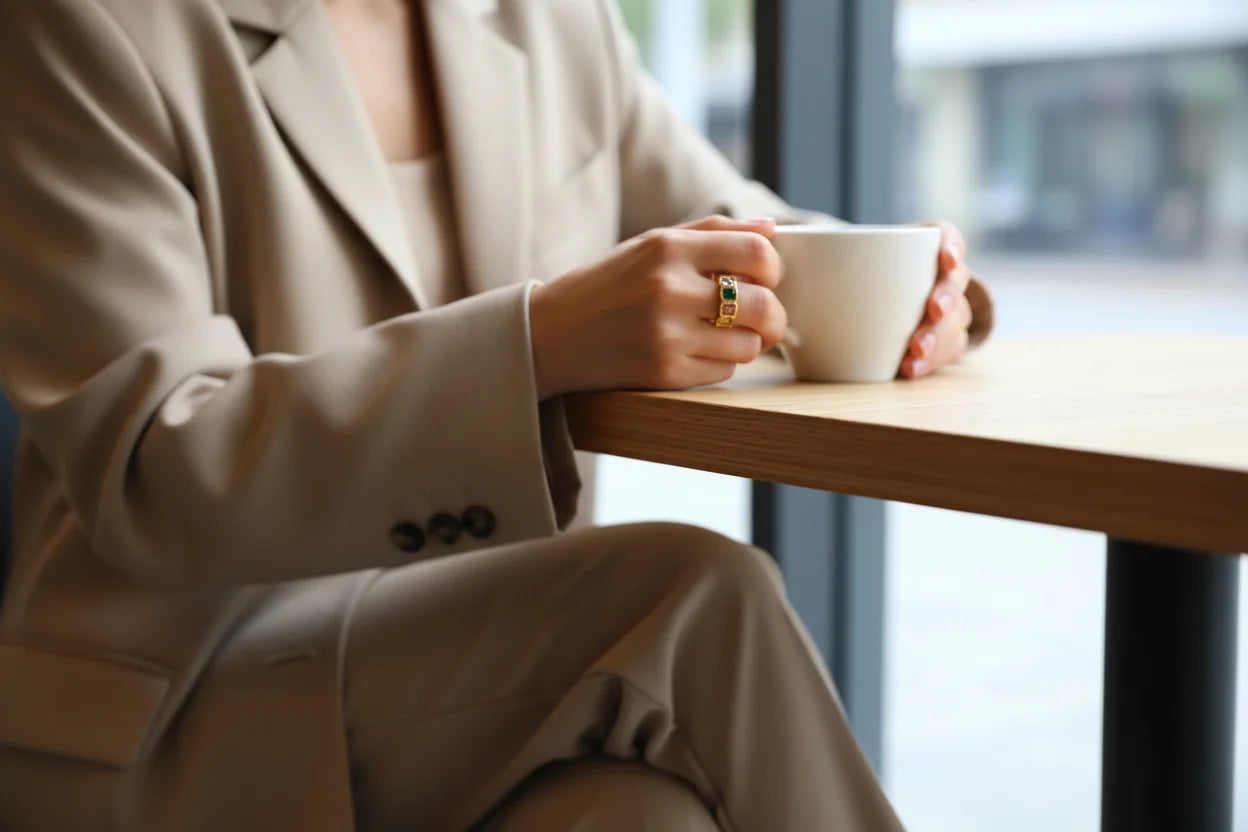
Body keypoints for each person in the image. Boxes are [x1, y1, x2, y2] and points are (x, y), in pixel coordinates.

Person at [0, 0, 992, 829]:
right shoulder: (90, 23)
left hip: (497, 697)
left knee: (646, 817)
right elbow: (154, 468)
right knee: (691, 595)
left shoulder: (551, 16)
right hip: (180, 698)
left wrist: (911, 298)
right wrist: (543, 339)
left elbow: (748, 251)